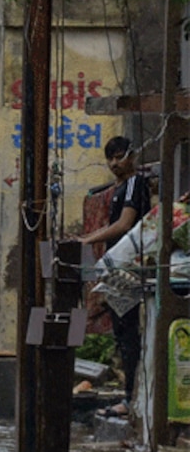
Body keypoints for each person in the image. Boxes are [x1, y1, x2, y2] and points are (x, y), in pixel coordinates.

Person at [79, 136, 150, 418]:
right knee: (121, 333)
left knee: (129, 333)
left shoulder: (135, 183)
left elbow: (124, 224)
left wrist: (87, 241)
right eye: (110, 159)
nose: (114, 164)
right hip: (118, 269)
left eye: (119, 157)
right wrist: (88, 239)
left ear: (131, 156)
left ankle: (131, 400)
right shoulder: (118, 188)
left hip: (129, 269)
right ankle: (129, 395)